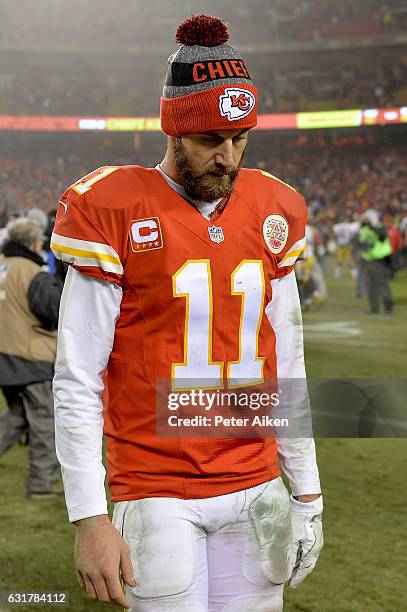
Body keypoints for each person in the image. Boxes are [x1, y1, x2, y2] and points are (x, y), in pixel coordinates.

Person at [51, 15, 323, 611]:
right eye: (210, 141)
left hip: (256, 484)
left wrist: (308, 493)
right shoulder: (112, 206)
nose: (228, 158)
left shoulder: (273, 206)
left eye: (240, 138)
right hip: (156, 490)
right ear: (174, 131)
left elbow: (288, 357)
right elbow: (77, 375)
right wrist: (90, 515)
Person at [0, 217, 63, 496]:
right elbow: (55, 309)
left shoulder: (4, 266)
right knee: (44, 421)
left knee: (17, 417)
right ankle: (40, 484)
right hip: (29, 356)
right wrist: (62, 279)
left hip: (6, 355)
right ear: (34, 242)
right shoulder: (31, 272)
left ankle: (41, 481)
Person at [358, 212, 393, 314]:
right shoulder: (365, 229)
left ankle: (388, 307)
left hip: (381, 260)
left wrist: (372, 227)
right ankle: (374, 308)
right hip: (369, 261)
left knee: (382, 285)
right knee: (371, 286)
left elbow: (382, 237)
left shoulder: (381, 228)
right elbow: (361, 241)